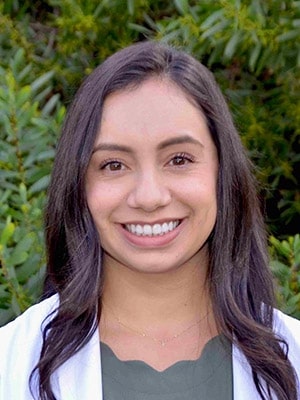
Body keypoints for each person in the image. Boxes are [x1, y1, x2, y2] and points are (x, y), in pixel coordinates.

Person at [0, 41, 299, 400]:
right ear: (78, 185)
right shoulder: (11, 365)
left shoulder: (293, 360)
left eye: (179, 159)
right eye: (113, 164)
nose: (149, 197)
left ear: (223, 173)